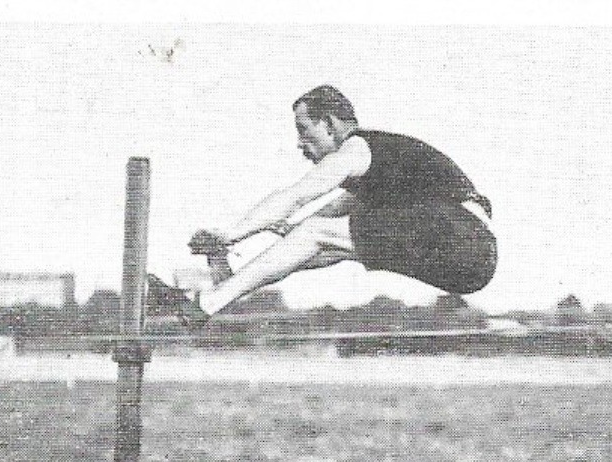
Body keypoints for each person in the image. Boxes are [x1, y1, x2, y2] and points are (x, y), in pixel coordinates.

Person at [150, 84, 496, 328]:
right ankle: (213, 299)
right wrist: (222, 257)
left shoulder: (356, 149)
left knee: (318, 236)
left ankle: (206, 306)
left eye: (304, 131)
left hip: (464, 235)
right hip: (468, 262)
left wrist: (231, 234)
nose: (301, 145)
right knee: (320, 247)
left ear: (330, 124)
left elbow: (295, 196)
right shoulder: (376, 180)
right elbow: (299, 243)